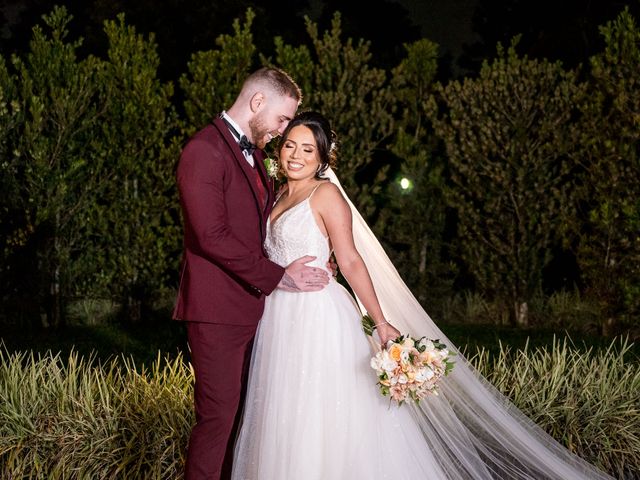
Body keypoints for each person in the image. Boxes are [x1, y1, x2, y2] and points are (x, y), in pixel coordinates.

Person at [230, 111, 614, 479]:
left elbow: (350, 260)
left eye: (307, 150)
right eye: (290, 146)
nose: (295, 155)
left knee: (318, 411)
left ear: (323, 158)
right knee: (283, 409)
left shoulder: (326, 194)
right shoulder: (277, 194)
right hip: (279, 313)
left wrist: (380, 322)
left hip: (316, 316)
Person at [173, 68, 332, 480]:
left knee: (241, 421)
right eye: (282, 120)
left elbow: (261, 231)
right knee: (217, 421)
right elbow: (212, 236)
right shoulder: (203, 150)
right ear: (258, 103)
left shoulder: (254, 155)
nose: (282, 132)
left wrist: (312, 255)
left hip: (252, 308)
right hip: (217, 311)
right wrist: (280, 276)